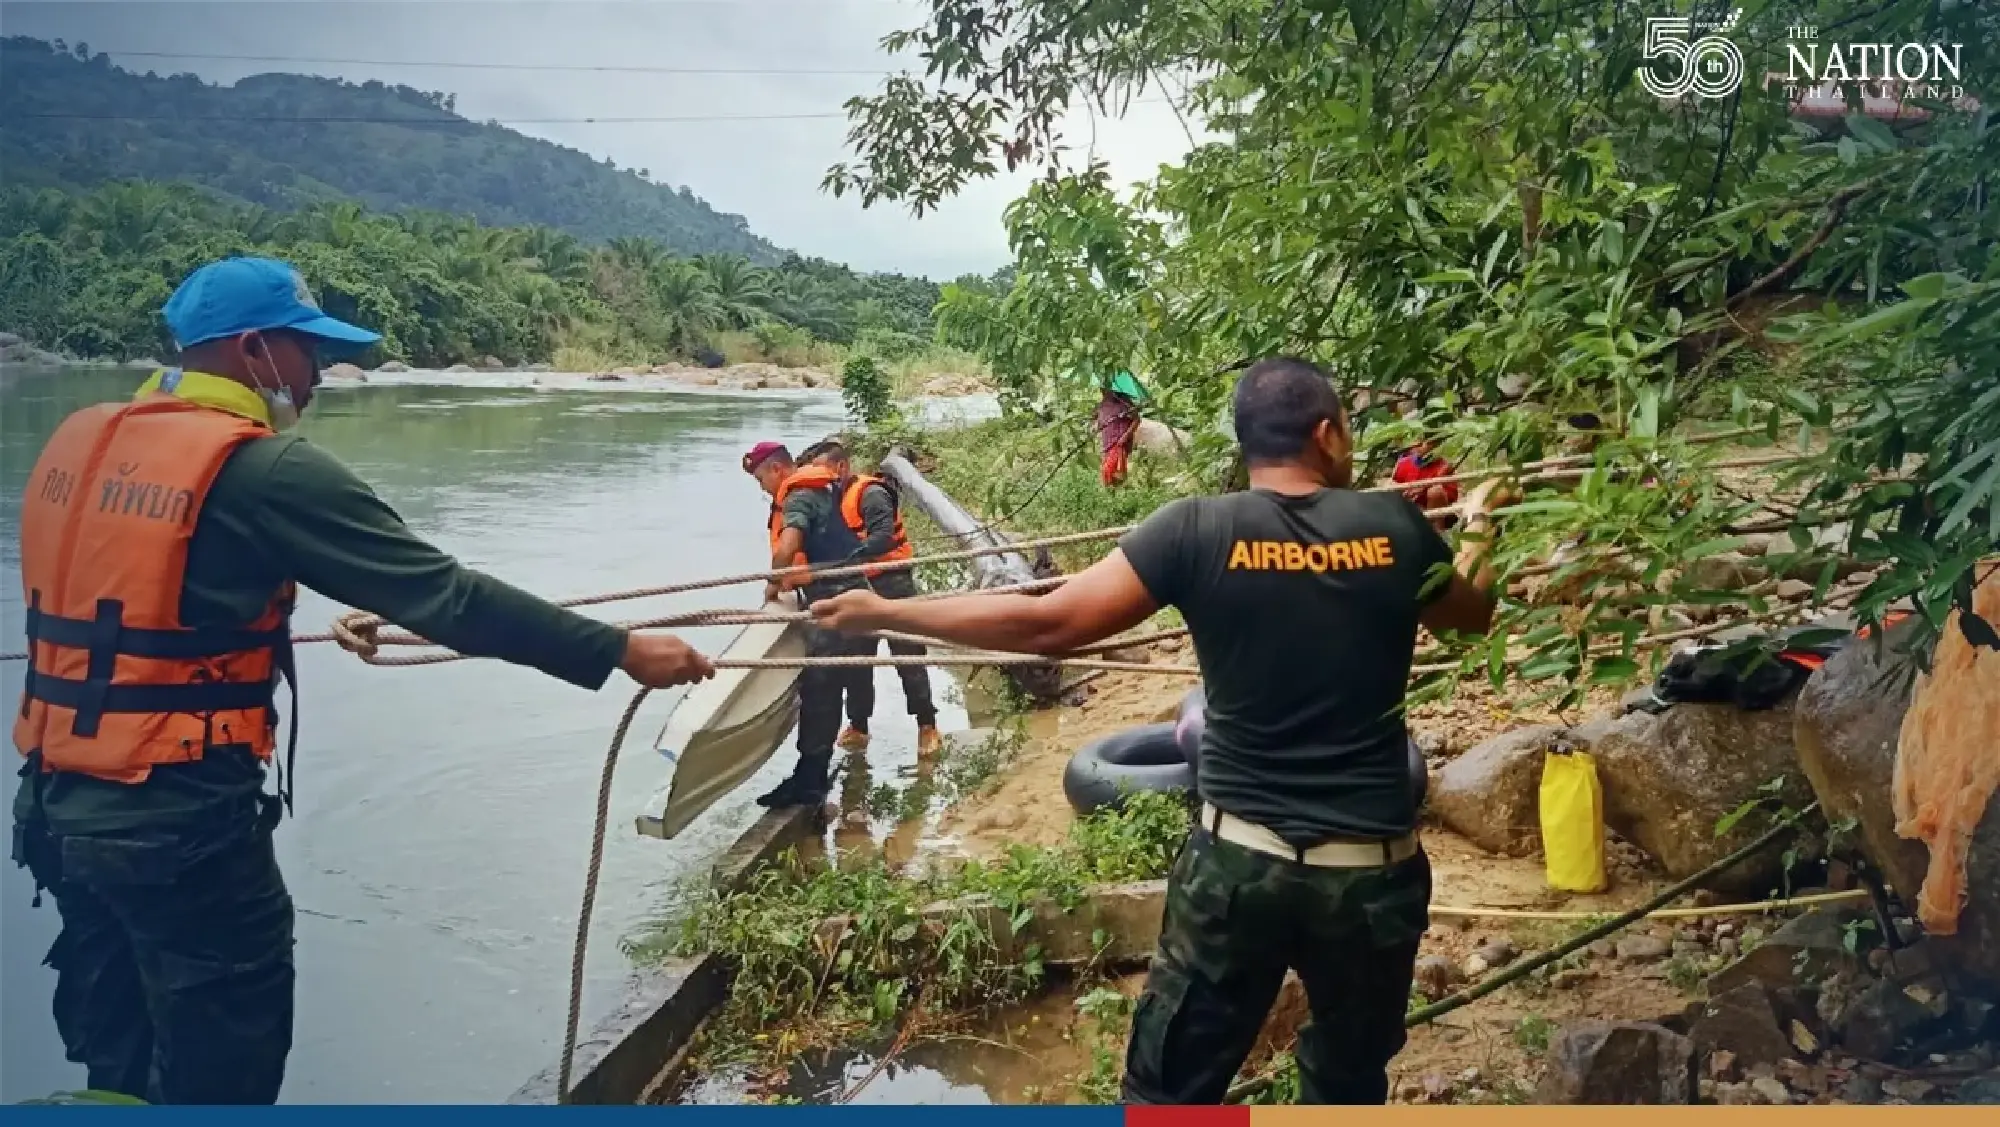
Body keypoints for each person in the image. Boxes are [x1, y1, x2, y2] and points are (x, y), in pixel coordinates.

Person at [9, 257, 715, 1105]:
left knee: (113, 1045)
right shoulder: (269, 470)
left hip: (55, 806)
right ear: (253, 350)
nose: (318, 374)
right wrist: (618, 648)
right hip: (179, 824)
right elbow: (447, 595)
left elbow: (163, 601)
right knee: (220, 1064)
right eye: (307, 352)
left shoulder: (81, 440)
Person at [814, 357, 1511, 1105]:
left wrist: (884, 611)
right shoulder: (1395, 526)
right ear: (1328, 433)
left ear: (1246, 446)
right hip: (1372, 875)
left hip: (1240, 870)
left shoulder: (1197, 529)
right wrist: (1478, 527)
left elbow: (1047, 622)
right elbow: (1471, 618)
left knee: (1170, 1094)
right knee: (1346, 1082)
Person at [743, 441, 873, 807]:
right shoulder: (820, 486)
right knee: (830, 688)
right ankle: (812, 773)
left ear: (776, 470)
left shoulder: (799, 496)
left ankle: (810, 780)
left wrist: (772, 583)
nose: (762, 489)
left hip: (835, 601)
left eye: (760, 480)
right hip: (850, 596)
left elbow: (788, 547)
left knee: (819, 690)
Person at [800, 439, 941, 757]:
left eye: (821, 470)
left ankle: (927, 725)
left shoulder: (870, 493)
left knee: (908, 658)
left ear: (841, 467)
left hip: (892, 585)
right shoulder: (824, 499)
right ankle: (859, 727)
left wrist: (845, 554)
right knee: (857, 662)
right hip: (856, 587)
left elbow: (883, 537)